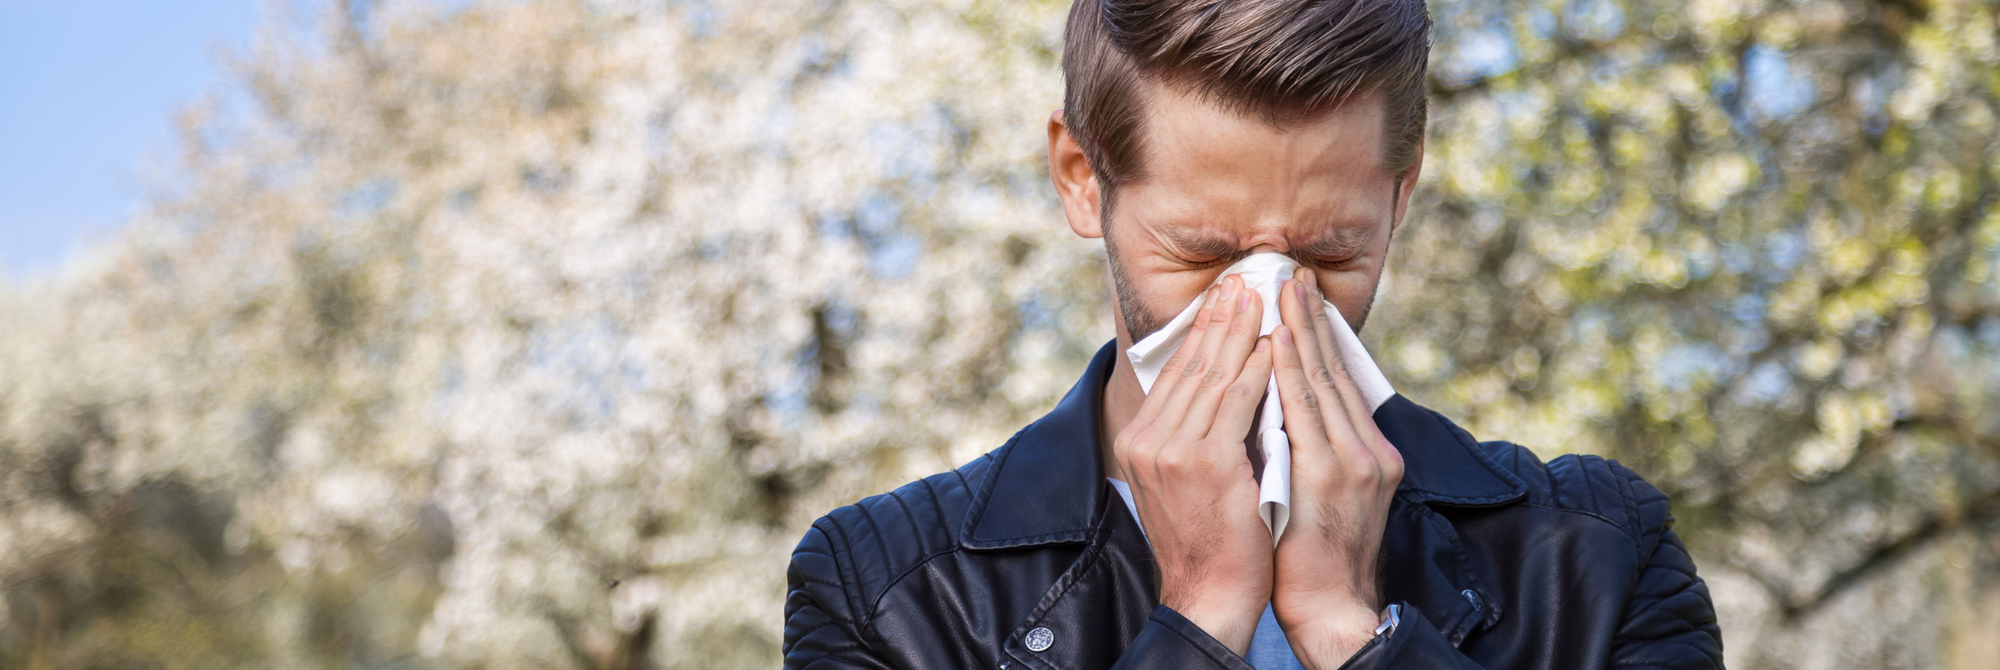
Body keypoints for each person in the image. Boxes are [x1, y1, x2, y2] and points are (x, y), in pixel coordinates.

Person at [781, 0, 1725, 667]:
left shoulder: (1600, 555)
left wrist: (1353, 634)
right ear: (1081, 177)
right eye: (1199, 251)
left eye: (1328, 252)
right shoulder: (884, 592)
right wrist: (1198, 619)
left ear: (1402, 188)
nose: (1269, 305)